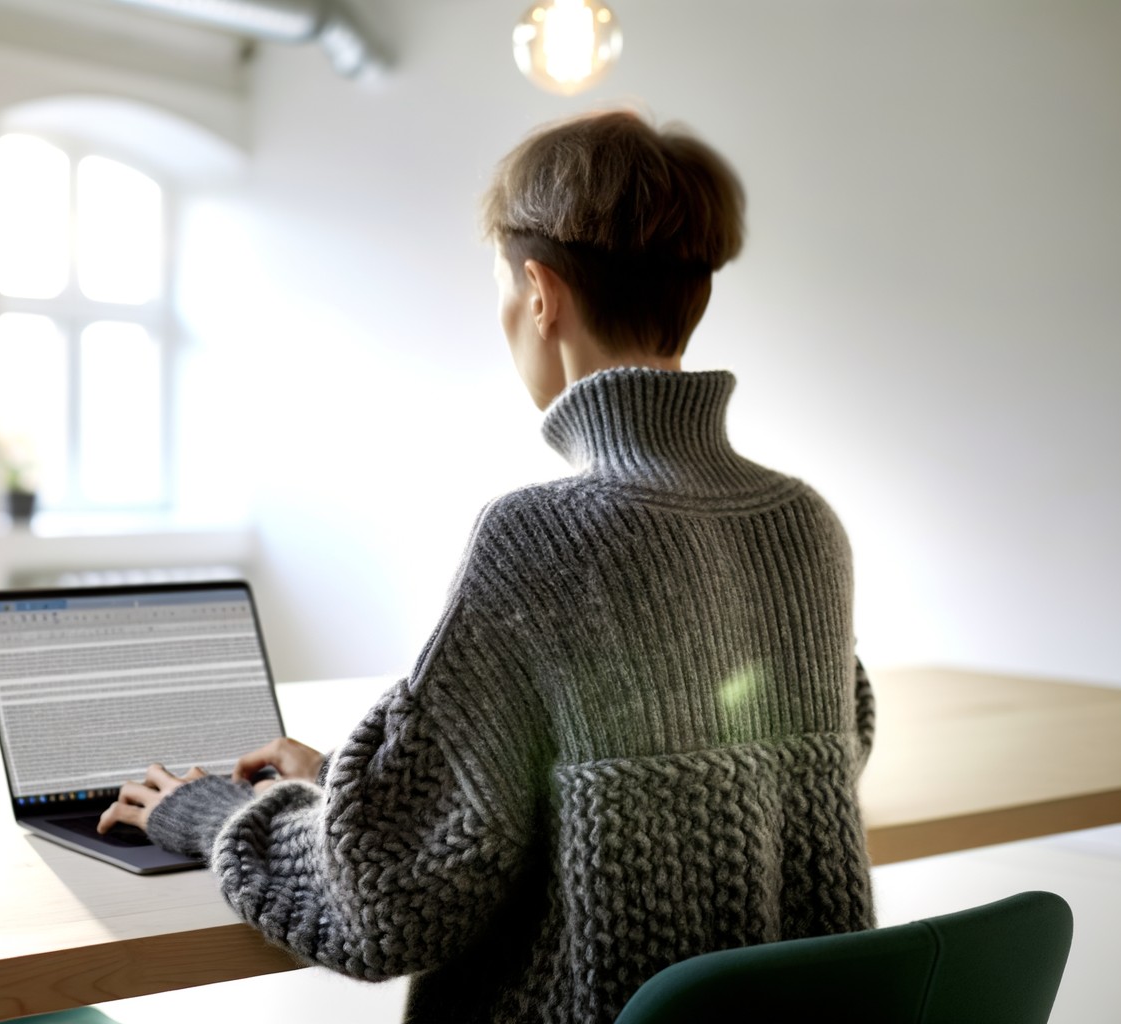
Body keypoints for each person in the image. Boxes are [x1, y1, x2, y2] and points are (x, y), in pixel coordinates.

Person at [98, 109, 876, 1024]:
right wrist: (357, 780)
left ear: (540, 295)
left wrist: (210, 816)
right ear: (696, 297)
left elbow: (389, 904)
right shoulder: (803, 525)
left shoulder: (541, 540)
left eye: (504, 289)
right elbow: (681, 783)